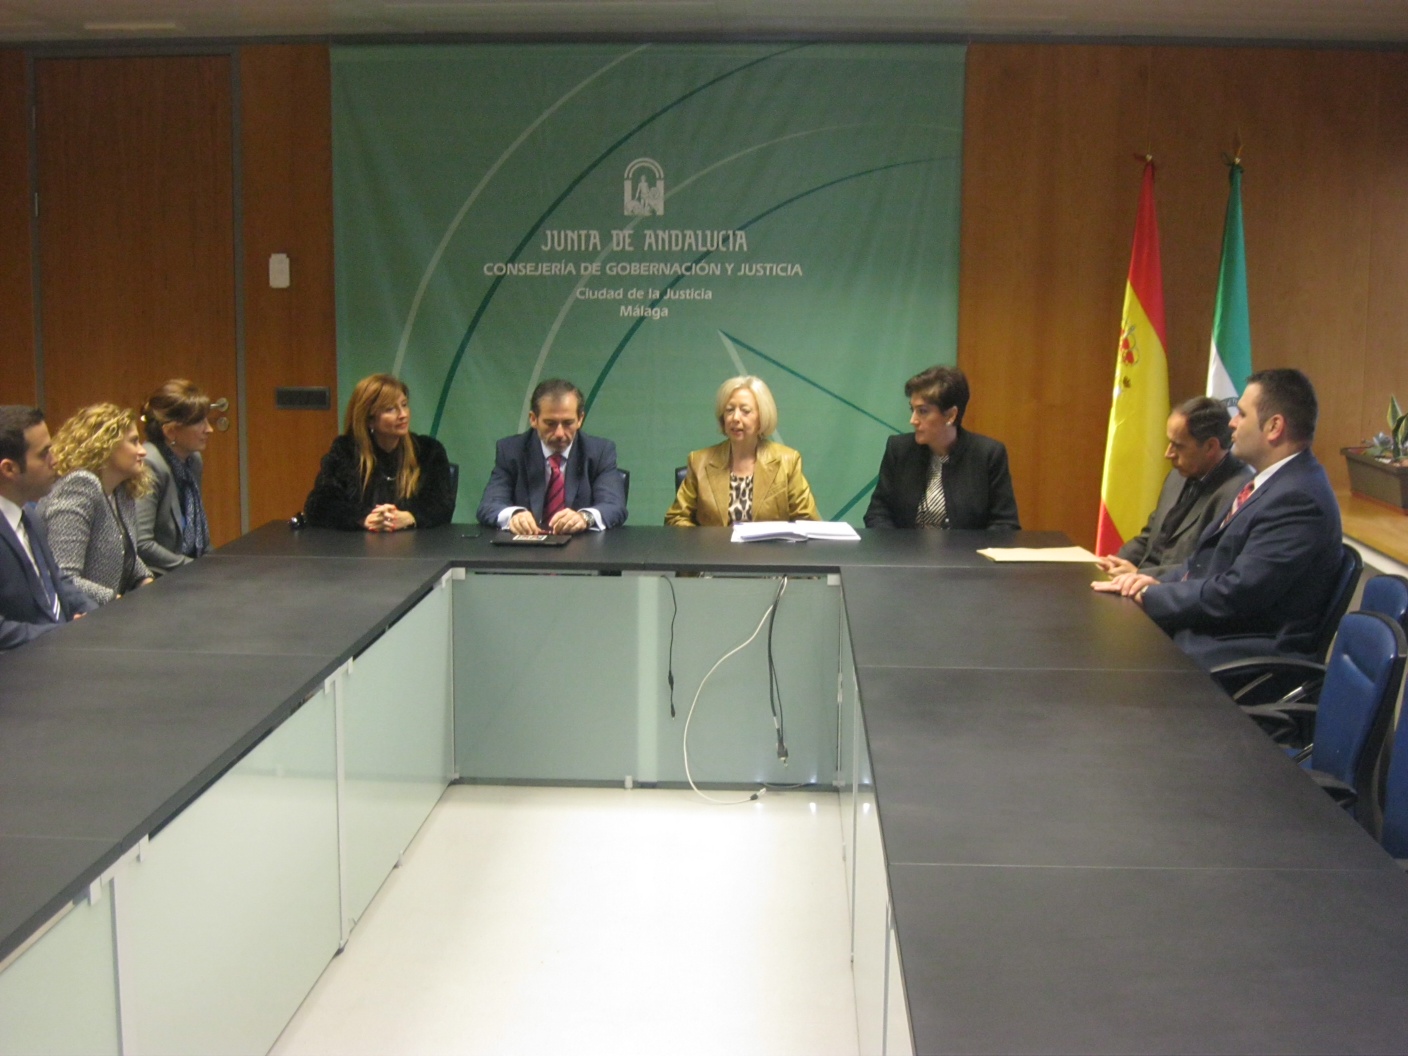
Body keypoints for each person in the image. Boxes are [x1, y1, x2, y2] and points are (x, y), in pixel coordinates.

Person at [1094, 369, 1343, 669]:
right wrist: (1152, 582)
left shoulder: (1298, 499)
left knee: (1114, 654)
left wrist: (1151, 595)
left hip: (1241, 652)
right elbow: (1202, 563)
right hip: (1213, 631)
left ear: (1274, 426)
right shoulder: (1271, 484)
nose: (1232, 423)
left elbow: (1237, 593)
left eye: (1242, 414)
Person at [1095, 396, 1252, 579]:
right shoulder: (1176, 476)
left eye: (1178, 446)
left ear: (1210, 446)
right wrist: (1112, 563)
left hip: (1173, 590)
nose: (1168, 454)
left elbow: (1208, 565)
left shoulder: (1239, 492)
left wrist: (1140, 574)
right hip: (1136, 583)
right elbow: (1151, 537)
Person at [863, 365, 1020, 529]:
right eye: (912, 410)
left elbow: (1005, 524)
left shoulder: (988, 455)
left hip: (966, 546)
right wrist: (896, 544)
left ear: (951, 415)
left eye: (923, 411)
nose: (913, 420)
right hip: (903, 546)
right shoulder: (899, 449)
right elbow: (878, 513)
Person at [304, 374, 456, 532]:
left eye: (404, 405)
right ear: (369, 420)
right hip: (358, 545)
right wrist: (364, 518)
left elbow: (443, 505)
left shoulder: (429, 451)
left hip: (416, 544)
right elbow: (319, 505)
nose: (403, 415)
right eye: (390, 409)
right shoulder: (346, 451)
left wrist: (410, 517)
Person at [38, 402, 153, 606]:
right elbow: (65, 577)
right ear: (106, 445)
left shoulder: (122, 489)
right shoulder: (79, 486)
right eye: (134, 442)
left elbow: (124, 552)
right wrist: (116, 602)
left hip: (112, 610)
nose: (142, 451)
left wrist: (146, 580)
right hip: (83, 615)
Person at [0, 406, 98, 648]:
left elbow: (55, 578)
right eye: (44, 454)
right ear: (9, 469)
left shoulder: (29, 515)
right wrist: (60, 633)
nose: (55, 460)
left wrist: (92, 613)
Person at [477, 378, 627, 534]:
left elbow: (614, 506)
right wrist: (514, 516)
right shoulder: (511, 451)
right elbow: (489, 505)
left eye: (568, 423)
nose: (559, 433)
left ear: (580, 419)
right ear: (533, 419)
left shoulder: (600, 452)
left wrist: (585, 517)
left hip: (581, 545)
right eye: (550, 423)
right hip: (527, 545)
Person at [665, 375, 819, 526]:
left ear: (762, 417)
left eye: (745, 411)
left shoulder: (788, 462)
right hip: (714, 544)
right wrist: (705, 539)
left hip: (770, 545)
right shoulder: (699, 462)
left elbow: (808, 522)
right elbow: (676, 518)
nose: (735, 418)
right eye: (729, 410)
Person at [137, 379, 214, 575]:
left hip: (187, 569)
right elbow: (142, 545)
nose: (209, 429)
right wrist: (195, 567)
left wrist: (216, 564)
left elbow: (198, 531)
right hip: (157, 576)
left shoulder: (193, 460)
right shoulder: (149, 464)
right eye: (199, 422)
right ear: (171, 431)